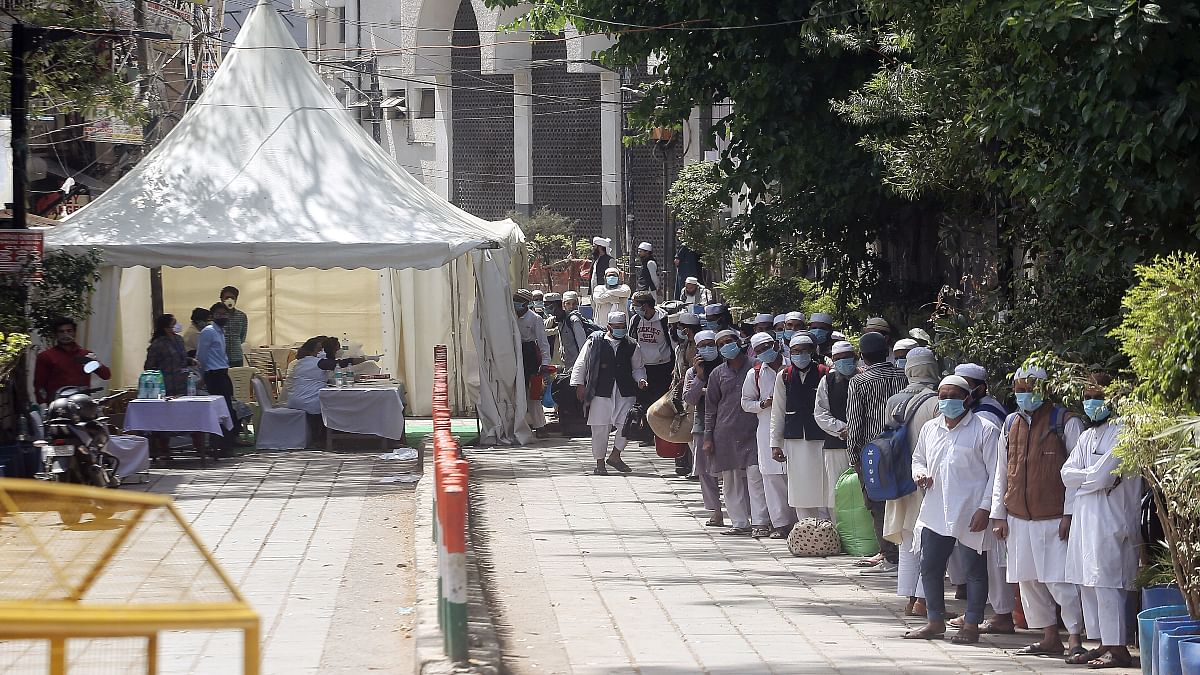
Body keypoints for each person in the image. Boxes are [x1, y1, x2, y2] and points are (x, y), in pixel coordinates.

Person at [990, 365, 1086, 659]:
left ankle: (1074, 637)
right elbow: (1003, 471)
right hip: (1019, 516)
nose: (1024, 394)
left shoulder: (1065, 422)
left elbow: (1077, 474)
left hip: (1054, 517)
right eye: (1019, 389)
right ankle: (1048, 637)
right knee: (1028, 579)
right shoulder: (1010, 423)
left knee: (1059, 581)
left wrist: (1070, 514)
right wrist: (999, 513)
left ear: (1044, 390)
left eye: (1029, 389)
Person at [904, 375, 1000, 645]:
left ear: (968, 399)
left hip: (971, 510)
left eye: (954, 396)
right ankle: (935, 621)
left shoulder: (985, 429)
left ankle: (971, 623)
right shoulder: (930, 428)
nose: (947, 401)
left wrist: (985, 508)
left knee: (974, 571)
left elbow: (996, 474)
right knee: (930, 566)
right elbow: (918, 458)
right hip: (935, 508)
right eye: (942, 396)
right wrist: (920, 474)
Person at [1060, 374, 1138, 669]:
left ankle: (1118, 649)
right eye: (1088, 396)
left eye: (1098, 395)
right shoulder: (1086, 436)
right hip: (1085, 519)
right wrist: (1087, 478)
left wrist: (1085, 478)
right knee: (1088, 582)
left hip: (1111, 521)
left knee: (1108, 584)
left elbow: (1102, 477)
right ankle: (1104, 643)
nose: (1092, 402)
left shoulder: (1124, 432)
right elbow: (1066, 474)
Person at [951, 362, 1016, 633]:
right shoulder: (979, 411)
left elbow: (992, 463)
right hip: (978, 497)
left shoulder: (987, 416)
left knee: (993, 558)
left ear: (979, 388)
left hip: (987, 498)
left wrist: (987, 504)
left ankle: (1002, 615)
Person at [879, 347, 944, 614]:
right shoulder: (937, 401)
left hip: (899, 478)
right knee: (928, 540)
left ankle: (909, 598)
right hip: (927, 478)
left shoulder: (894, 400)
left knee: (907, 539)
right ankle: (922, 599)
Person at [845, 330, 909, 573]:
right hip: (902, 448)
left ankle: (890, 556)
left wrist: (854, 457)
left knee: (878, 503)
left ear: (862, 356)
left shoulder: (859, 382)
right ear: (887, 352)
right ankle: (904, 552)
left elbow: (855, 423)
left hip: (872, 452)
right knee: (903, 499)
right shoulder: (903, 376)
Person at [769, 334, 838, 523]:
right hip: (796, 440)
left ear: (812, 352)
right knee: (801, 488)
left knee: (827, 487)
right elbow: (778, 410)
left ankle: (831, 529)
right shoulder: (784, 376)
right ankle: (807, 529)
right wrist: (775, 443)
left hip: (824, 438)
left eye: (804, 351)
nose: (800, 356)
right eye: (795, 352)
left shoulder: (826, 373)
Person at [570, 311, 648, 475]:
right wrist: (579, 384)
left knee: (627, 424)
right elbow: (581, 363)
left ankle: (615, 455)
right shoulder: (595, 341)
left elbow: (638, 368)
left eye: (623, 327)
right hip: (600, 391)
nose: (620, 330)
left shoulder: (632, 344)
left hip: (625, 391)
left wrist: (641, 380)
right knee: (599, 427)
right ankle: (600, 463)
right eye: (617, 327)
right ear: (609, 327)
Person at [704, 330, 760, 536]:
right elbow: (710, 408)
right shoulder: (717, 373)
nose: (726, 346)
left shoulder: (756, 367)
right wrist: (708, 437)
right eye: (721, 344)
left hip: (753, 430)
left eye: (730, 342)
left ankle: (760, 521)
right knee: (730, 480)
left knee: (756, 477)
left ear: (739, 343)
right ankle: (739, 522)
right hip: (725, 433)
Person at [742, 333, 794, 538]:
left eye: (767, 347)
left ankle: (800, 521)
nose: (765, 352)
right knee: (771, 477)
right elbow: (746, 403)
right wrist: (763, 404)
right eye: (760, 350)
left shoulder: (792, 367)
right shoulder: (754, 374)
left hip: (793, 426)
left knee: (796, 474)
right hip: (766, 428)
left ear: (775, 345)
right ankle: (780, 524)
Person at [286, 336, 374, 442]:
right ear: (313, 350)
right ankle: (331, 436)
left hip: (297, 398)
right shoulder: (317, 362)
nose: (322, 351)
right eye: (320, 349)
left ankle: (335, 434)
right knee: (342, 405)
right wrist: (366, 358)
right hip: (307, 400)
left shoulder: (302, 362)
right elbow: (341, 364)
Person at [683, 330, 724, 525]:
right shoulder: (692, 372)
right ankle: (716, 511)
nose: (707, 349)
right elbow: (690, 398)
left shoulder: (727, 367)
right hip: (702, 423)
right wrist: (700, 378)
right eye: (703, 346)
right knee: (705, 470)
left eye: (711, 345)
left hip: (726, 422)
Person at [813, 341, 859, 513]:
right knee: (837, 490)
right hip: (836, 446)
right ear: (833, 360)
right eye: (838, 359)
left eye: (847, 358)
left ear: (855, 358)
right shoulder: (827, 381)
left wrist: (855, 429)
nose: (843, 362)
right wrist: (843, 430)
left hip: (862, 443)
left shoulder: (864, 379)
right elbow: (820, 413)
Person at [34, 317, 112, 404]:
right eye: (61, 332)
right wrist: (42, 404)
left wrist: (97, 363)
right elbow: (39, 385)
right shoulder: (46, 356)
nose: (65, 334)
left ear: (74, 333)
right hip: (58, 405)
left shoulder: (85, 355)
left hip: (83, 404)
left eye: (69, 331)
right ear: (56, 334)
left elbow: (106, 375)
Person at [196, 302, 241, 451]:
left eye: (224, 314)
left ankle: (228, 441)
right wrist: (203, 376)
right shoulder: (208, 331)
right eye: (218, 314)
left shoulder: (221, 331)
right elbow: (201, 355)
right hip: (213, 375)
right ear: (212, 316)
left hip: (223, 372)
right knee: (219, 410)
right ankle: (220, 444)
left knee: (227, 408)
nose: (222, 317)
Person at [515, 289, 552, 437]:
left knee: (533, 392)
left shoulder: (535, 319)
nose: (515, 305)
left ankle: (540, 425)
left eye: (518, 302)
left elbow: (543, 342)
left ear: (525, 303)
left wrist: (545, 363)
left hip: (529, 354)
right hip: (514, 353)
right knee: (517, 391)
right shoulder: (510, 316)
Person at [630, 290, 674, 411]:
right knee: (644, 401)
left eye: (635, 305)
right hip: (643, 368)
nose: (633, 308)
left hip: (662, 367)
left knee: (660, 403)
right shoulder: (635, 320)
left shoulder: (664, 320)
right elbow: (632, 342)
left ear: (645, 306)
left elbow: (673, 344)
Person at [144, 314, 190, 396]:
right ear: (166, 327)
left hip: (182, 382)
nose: (176, 326)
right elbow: (149, 365)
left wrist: (190, 361)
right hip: (166, 383)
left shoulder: (179, 339)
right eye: (173, 324)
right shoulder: (158, 343)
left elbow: (181, 357)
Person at [220, 286, 249, 367]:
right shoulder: (217, 316)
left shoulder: (242, 316)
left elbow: (242, 337)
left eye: (232, 298)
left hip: (237, 357)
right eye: (227, 297)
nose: (230, 300)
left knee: (236, 378)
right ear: (222, 299)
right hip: (220, 357)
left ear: (236, 299)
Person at [673, 231, 701, 296]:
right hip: (694, 271)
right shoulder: (696, 245)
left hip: (684, 272)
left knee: (683, 291)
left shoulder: (684, 245)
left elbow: (677, 261)